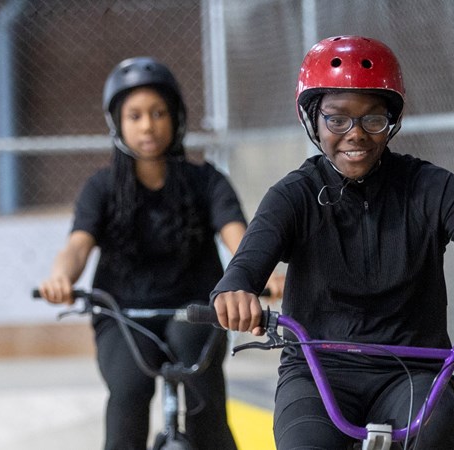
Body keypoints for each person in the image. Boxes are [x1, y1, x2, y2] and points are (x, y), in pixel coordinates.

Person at [209, 36, 454, 449]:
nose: (356, 134)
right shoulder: (293, 195)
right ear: (312, 120)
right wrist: (233, 294)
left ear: (392, 121)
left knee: (435, 431)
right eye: (337, 119)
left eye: (373, 119)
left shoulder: (434, 189)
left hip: (412, 373)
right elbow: (242, 271)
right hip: (317, 374)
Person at [37, 56, 282, 450]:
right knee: (128, 390)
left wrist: (262, 274)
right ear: (118, 123)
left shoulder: (207, 182)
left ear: (176, 118)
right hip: (122, 313)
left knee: (203, 389)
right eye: (134, 116)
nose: (147, 125)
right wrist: (61, 277)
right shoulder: (101, 188)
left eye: (158, 113)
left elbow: (240, 235)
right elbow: (77, 245)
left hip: (198, 308)